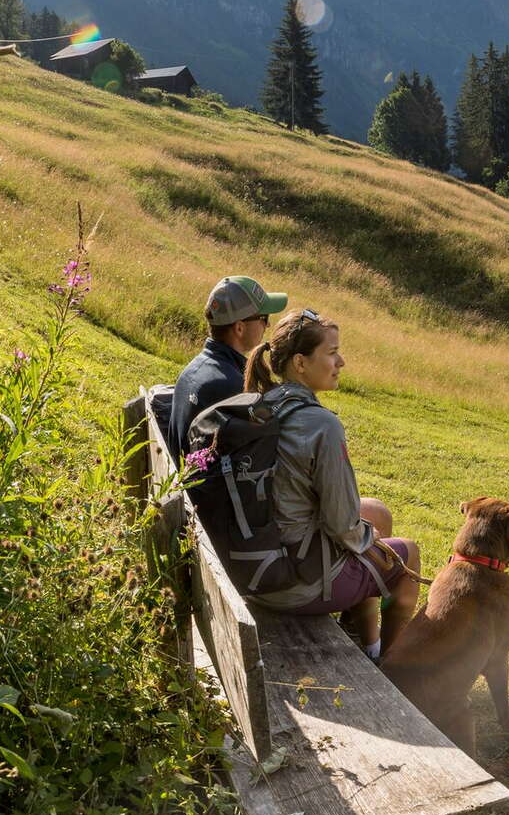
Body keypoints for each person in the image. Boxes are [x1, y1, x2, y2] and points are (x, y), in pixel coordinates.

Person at [235, 309, 419, 658]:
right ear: (301, 363)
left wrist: (364, 531)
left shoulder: (262, 403)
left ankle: (367, 647)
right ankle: (396, 675)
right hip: (293, 584)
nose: (341, 361)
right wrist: (367, 537)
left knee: (376, 514)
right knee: (408, 555)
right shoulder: (321, 425)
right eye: (331, 352)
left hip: (255, 564)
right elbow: (341, 524)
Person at [167, 275, 288, 462]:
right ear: (239, 328)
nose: (268, 325)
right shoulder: (231, 387)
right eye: (264, 318)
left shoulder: (196, 368)